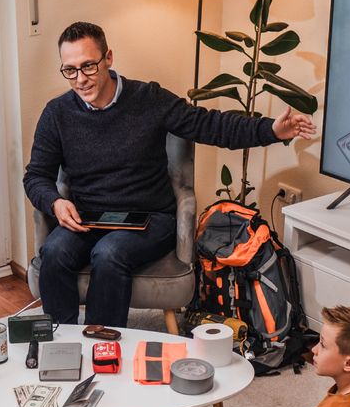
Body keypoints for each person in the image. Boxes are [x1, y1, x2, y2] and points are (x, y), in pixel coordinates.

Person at [23, 21, 316, 327]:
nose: (80, 79)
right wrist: (55, 202)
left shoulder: (149, 99)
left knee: (108, 254)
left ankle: (103, 346)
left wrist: (270, 129)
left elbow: (210, 125)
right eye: (70, 70)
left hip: (149, 217)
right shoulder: (57, 113)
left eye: (88, 66)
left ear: (108, 58)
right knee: (54, 252)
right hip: (89, 216)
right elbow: (36, 176)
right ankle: (62, 340)